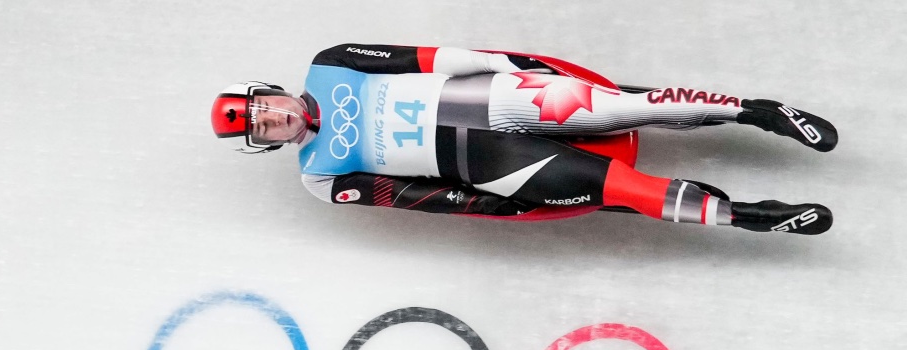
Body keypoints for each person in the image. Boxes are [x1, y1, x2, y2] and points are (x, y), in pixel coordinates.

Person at [210, 44, 838, 235]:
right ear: (266, 141)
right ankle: (748, 217)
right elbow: (408, 197)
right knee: (628, 190)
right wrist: (493, 206)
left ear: (269, 91)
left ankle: (756, 112)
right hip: (485, 161)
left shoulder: (334, 60)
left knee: (630, 105)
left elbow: (425, 56)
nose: (271, 118)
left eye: (261, 107)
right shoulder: (319, 179)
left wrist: (507, 63)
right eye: (261, 127)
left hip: (490, 96)